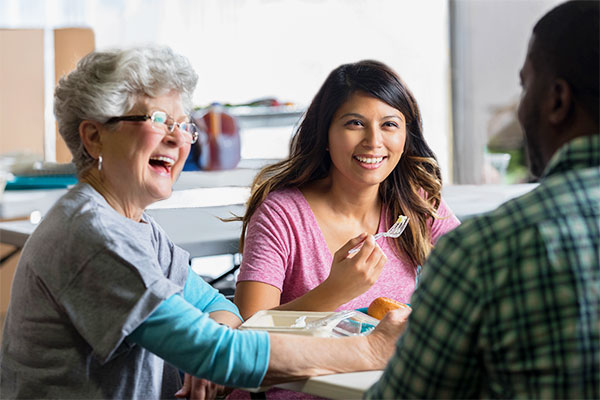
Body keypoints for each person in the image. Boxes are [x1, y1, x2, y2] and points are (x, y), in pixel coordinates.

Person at [0, 46, 411, 400]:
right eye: (158, 119)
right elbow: (224, 353)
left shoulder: (135, 226)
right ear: (93, 137)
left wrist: (207, 347)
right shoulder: (93, 236)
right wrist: (371, 351)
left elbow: (218, 306)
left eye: (183, 125)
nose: (178, 139)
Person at [366, 1, 599, 398]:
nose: (373, 141)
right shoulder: (287, 210)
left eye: (525, 86)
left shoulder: (480, 249)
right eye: (355, 123)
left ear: (557, 100)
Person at [233, 60, 460, 323]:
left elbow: (477, 270)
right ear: (325, 134)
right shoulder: (282, 215)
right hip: (315, 364)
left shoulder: (414, 202)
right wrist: (333, 293)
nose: (373, 142)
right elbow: (246, 331)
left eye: (389, 125)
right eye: (355, 123)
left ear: (406, 136)